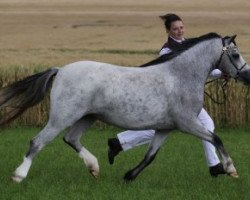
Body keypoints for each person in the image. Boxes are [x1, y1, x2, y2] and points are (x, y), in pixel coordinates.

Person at [107, 13, 226, 177]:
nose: (180, 31)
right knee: (161, 129)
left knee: (205, 123)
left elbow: (202, 69)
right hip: (169, 99)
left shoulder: (190, 46)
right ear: (168, 31)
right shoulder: (167, 50)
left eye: (182, 27)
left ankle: (214, 165)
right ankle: (118, 143)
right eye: (175, 29)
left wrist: (222, 73)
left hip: (185, 100)